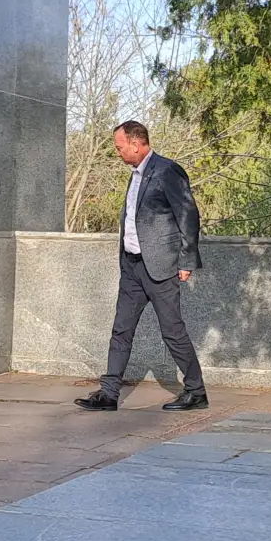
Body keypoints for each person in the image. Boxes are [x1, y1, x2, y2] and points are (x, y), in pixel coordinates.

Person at [74, 121, 207, 413]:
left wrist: (186, 260)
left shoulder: (167, 170)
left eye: (120, 146)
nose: (118, 152)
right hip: (132, 266)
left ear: (135, 144)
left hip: (160, 267)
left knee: (172, 331)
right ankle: (109, 394)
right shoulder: (135, 175)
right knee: (121, 329)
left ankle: (196, 392)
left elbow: (188, 216)